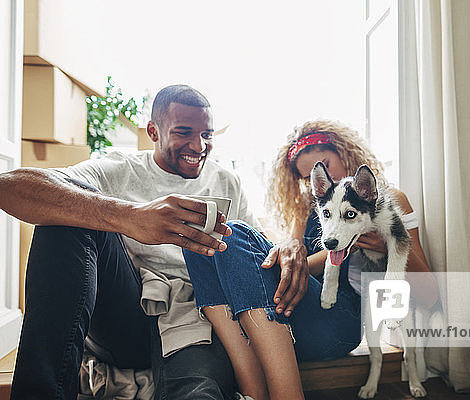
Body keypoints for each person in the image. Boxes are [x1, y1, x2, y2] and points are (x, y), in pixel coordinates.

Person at [0, 84, 307, 400]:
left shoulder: (226, 181)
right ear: (153, 131)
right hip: (125, 316)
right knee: (66, 217)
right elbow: (9, 186)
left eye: (207, 135)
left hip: (196, 319)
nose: (198, 145)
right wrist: (130, 217)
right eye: (184, 132)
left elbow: (254, 249)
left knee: (199, 394)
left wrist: (288, 245)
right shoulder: (120, 170)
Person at [182, 119, 438, 400]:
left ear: (346, 153)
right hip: (295, 323)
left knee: (235, 233)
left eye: (326, 164)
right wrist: (290, 250)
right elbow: (297, 267)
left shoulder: (390, 202)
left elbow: (429, 296)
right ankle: (253, 393)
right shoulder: (311, 212)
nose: (321, 176)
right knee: (204, 242)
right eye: (309, 177)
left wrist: (385, 245)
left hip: (343, 320)